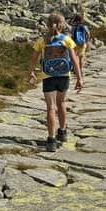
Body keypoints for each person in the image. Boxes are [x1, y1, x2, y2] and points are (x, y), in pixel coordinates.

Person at [28, 12, 84, 152]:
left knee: (51, 108)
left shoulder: (42, 41)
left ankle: (51, 139)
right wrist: (79, 77)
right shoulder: (66, 40)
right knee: (62, 103)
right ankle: (63, 132)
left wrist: (30, 72)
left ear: (47, 24)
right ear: (62, 24)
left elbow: (33, 59)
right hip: (64, 76)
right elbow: (75, 60)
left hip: (48, 77)